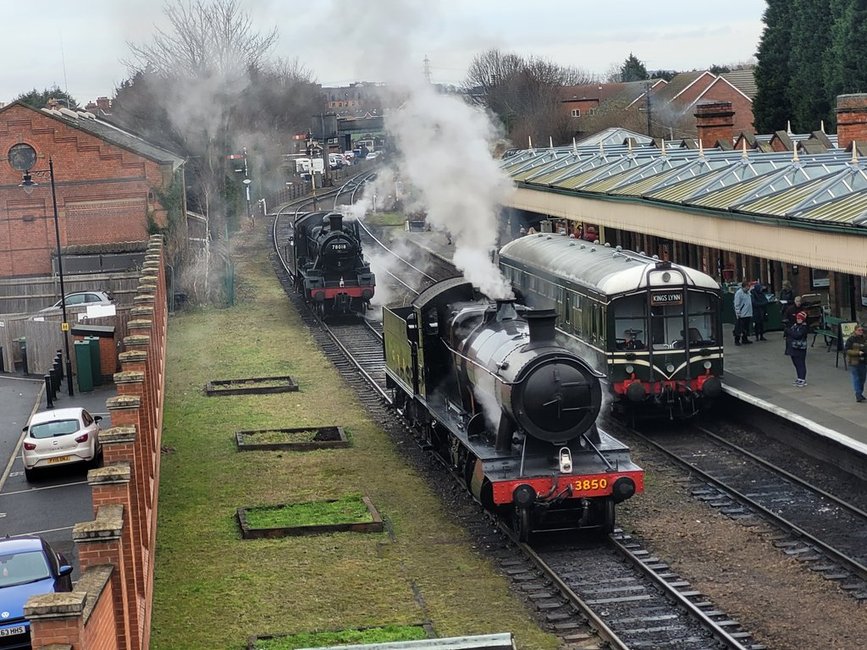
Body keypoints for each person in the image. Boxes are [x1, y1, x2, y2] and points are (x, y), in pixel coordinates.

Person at [785, 310, 810, 387]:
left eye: (800, 318)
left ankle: (802, 379)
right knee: (796, 363)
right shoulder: (795, 325)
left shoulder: (804, 327)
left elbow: (797, 335)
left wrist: (788, 331)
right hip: (793, 347)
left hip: (800, 348)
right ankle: (799, 378)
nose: (798, 319)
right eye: (797, 318)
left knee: (801, 363)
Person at [844, 324, 867, 402]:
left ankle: (860, 392)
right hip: (854, 361)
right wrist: (857, 352)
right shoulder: (851, 339)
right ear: (855, 331)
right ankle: (858, 393)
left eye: (861, 330)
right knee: (856, 377)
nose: (861, 332)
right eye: (859, 330)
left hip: (863, 361)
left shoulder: (864, 338)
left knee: (862, 378)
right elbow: (847, 350)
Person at [733, 280, 753, 345]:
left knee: (746, 328)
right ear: (744, 286)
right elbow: (737, 304)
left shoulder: (748, 293)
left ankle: (745, 339)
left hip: (748, 313)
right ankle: (737, 340)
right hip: (742, 314)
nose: (749, 288)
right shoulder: (739, 293)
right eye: (748, 286)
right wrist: (738, 313)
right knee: (739, 328)